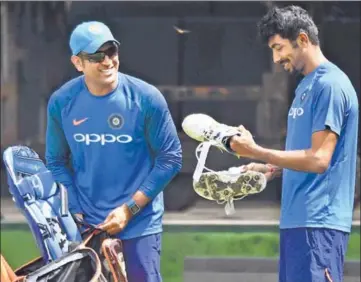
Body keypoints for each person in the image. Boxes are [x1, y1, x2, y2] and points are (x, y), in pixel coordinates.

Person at [182, 5, 359, 282]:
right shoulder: (306, 86)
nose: (276, 58)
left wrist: (256, 149)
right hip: (297, 223)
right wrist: (270, 168)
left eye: (279, 48)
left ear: (302, 39)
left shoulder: (331, 86)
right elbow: (308, 158)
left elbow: (320, 159)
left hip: (318, 224)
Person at [45, 21, 182, 282]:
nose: (107, 61)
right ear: (78, 63)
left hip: (139, 223)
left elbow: (170, 159)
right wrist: (73, 205)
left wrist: (129, 209)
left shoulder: (146, 98)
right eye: (97, 56)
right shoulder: (62, 101)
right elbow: (56, 161)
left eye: (111, 52)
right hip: (87, 226)